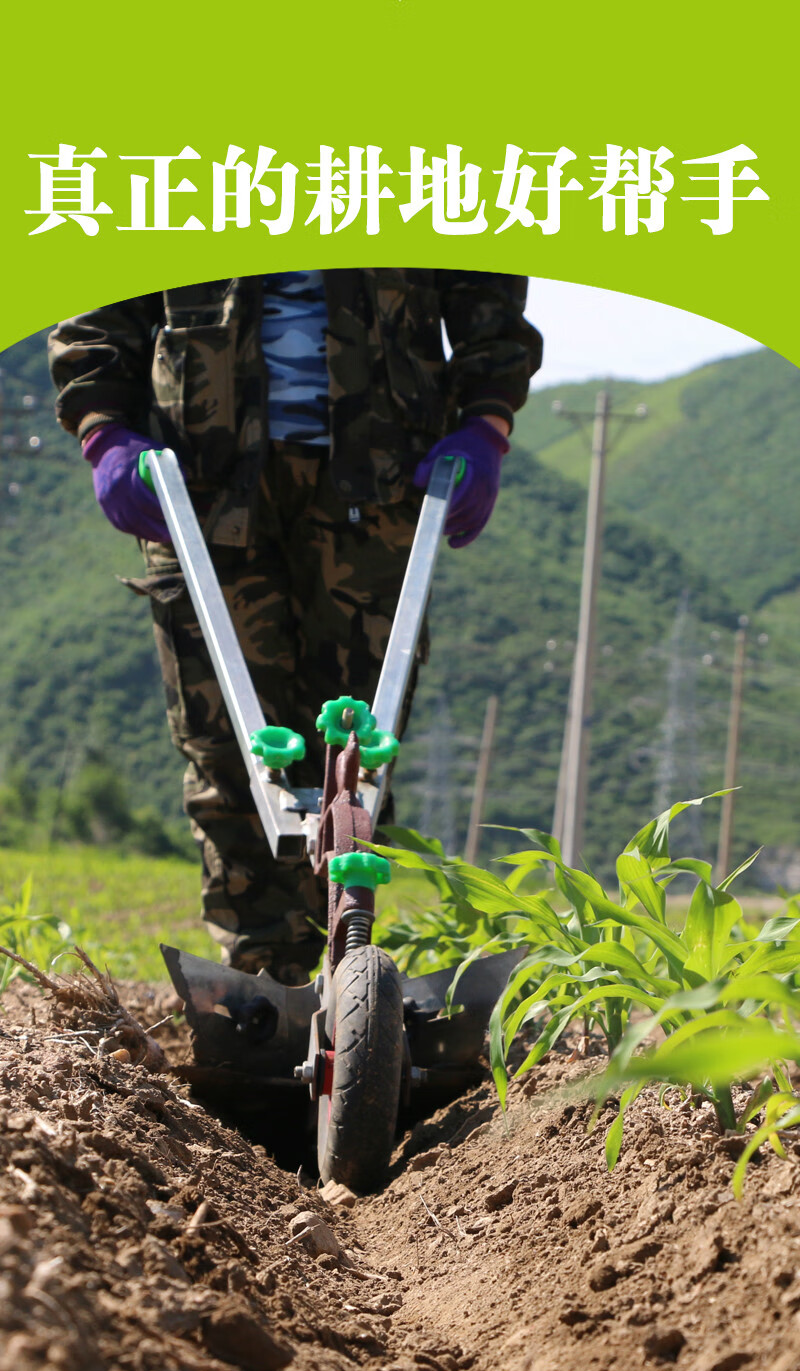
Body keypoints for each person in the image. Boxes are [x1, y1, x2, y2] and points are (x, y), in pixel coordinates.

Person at [48, 271, 542, 983]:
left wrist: (486, 419)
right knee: (230, 749)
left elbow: (485, 280)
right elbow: (104, 274)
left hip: (381, 475)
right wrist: (103, 426)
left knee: (356, 754)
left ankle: (346, 965)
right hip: (204, 474)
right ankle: (258, 990)